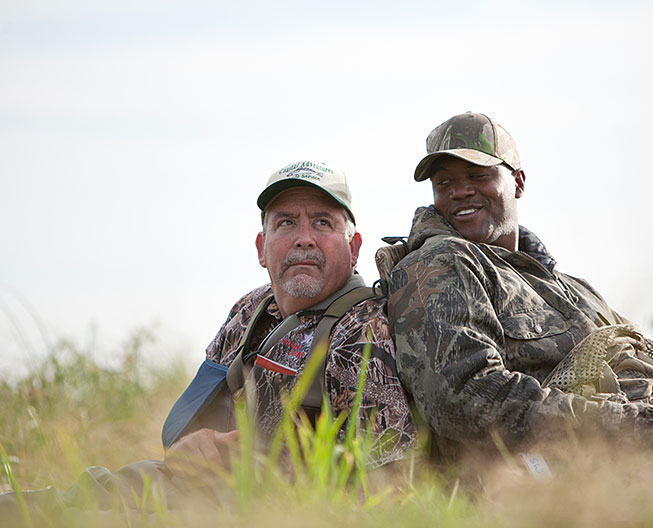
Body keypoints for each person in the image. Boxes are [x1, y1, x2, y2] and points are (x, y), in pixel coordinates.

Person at [1, 160, 415, 524]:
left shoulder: (361, 332)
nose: (304, 237)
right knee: (84, 493)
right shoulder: (250, 310)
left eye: (322, 222)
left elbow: (389, 489)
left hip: (263, 511)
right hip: (192, 487)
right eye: (286, 222)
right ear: (262, 248)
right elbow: (193, 422)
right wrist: (192, 448)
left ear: (353, 247)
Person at [385, 112, 653, 461]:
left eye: (478, 175)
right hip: (546, 476)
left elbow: (650, 363)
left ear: (518, 183)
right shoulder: (442, 263)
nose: (460, 191)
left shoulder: (576, 290)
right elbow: (462, 397)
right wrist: (616, 424)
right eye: (444, 183)